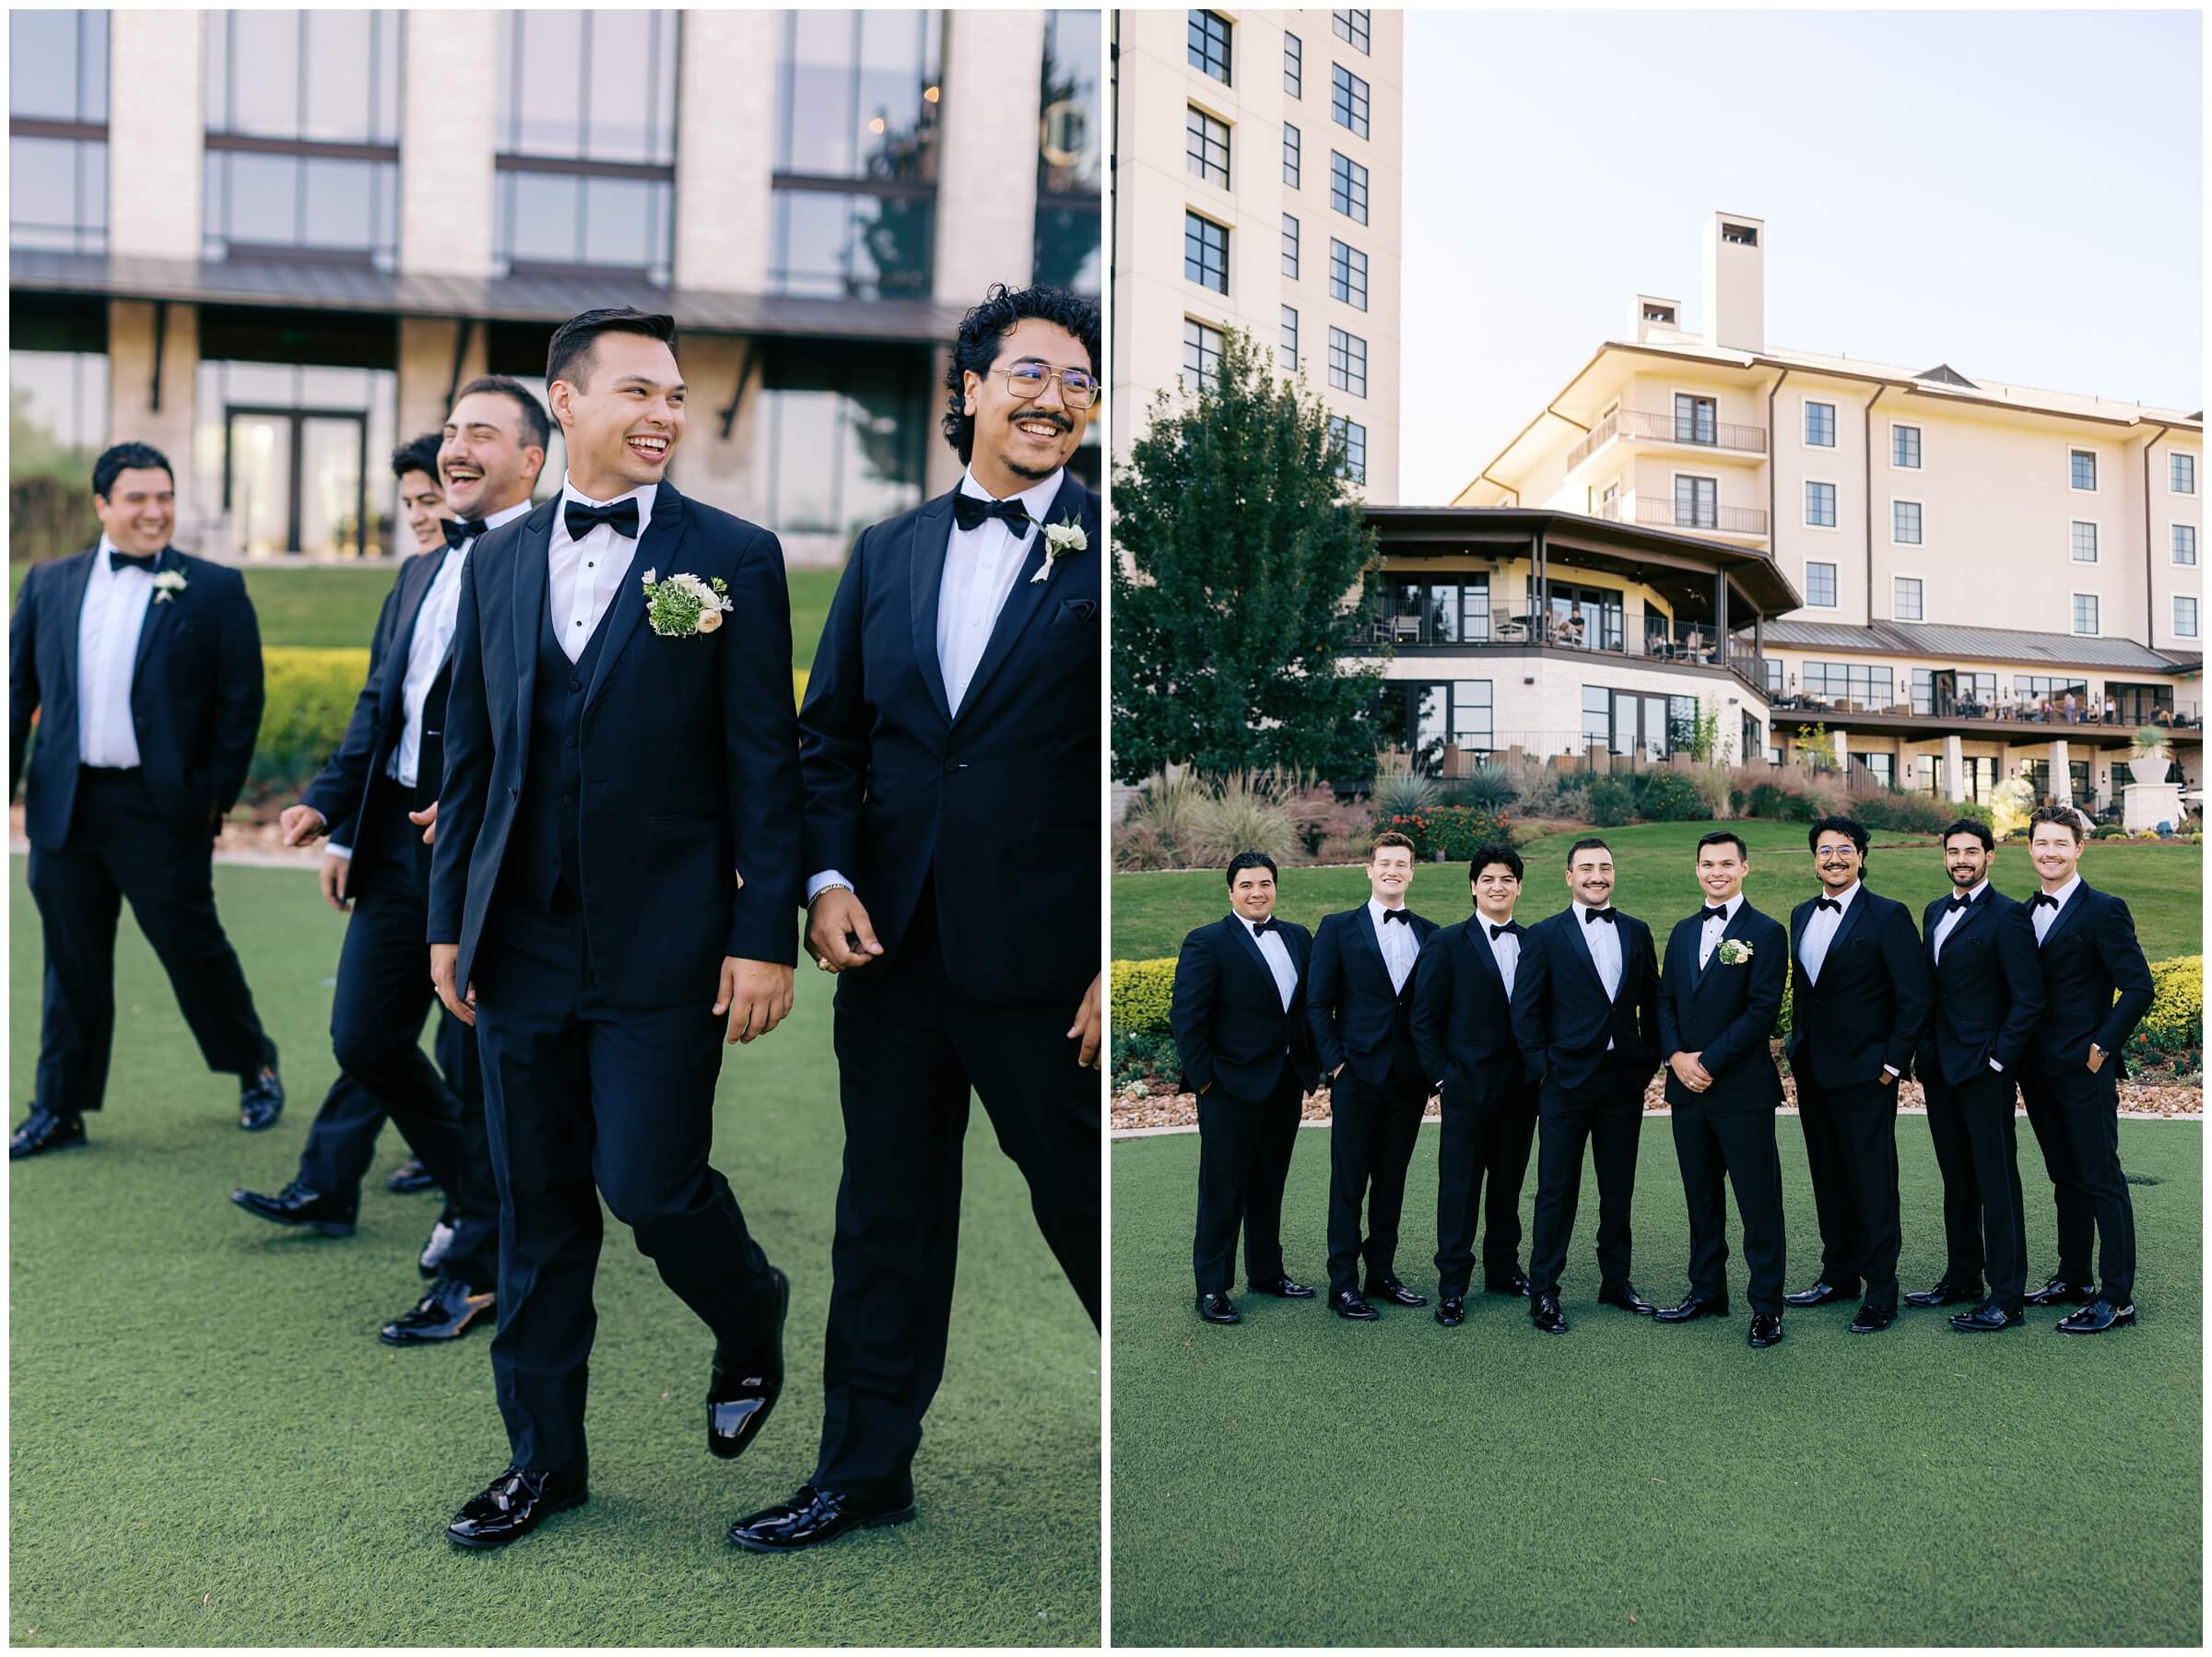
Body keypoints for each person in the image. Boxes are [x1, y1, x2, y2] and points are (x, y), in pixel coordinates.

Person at [734, 284, 1104, 1555]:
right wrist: (825, 878)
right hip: (889, 956)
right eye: (1032, 372)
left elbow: (1142, 770)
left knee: (1086, 1202)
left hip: (1050, 963)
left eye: (1078, 379)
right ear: (970, 390)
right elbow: (827, 738)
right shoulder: (886, 553)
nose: (1056, 396)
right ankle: (863, 1468)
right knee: (884, 1212)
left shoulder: (1117, 551)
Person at [427, 308, 802, 1547]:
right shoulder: (490, 560)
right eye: (638, 390)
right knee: (537, 1208)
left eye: (677, 396)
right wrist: (450, 925)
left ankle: (750, 1311)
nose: (662, 414)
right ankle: (544, 1461)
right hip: (519, 947)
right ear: (565, 404)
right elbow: (470, 760)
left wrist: (762, 935)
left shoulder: (734, 559)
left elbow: (764, 763)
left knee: (650, 1184)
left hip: (668, 948)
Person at [229, 399, 545, 1347]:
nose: (455, 450)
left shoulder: (552, 561)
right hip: (397, 851)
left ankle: (482, 1258)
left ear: (532, 459)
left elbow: (567, 715)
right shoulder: (416, 571)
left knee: (479, 1061)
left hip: (493, 857)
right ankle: (484, 1202)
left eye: (480, 434)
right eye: (450, 433)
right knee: (363, 1036)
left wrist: (486, 796)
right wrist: (328, 809)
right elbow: (380, 708)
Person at [9, 441, 283, 1159]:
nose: (155, 511)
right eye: (136, 498)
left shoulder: (215, 589)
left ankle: (252, 1065)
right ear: (102, 506)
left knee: (192, 950)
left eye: (163, 496)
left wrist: (210, 798)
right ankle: (59, 1106)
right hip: (65, 806)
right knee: (70, 962)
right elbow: (18, 694)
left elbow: (239, 705)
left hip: (162, 813)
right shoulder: (47, 583)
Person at [1507, 837, 1662, 1335]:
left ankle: (1616, 1282)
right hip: (1565, 1083)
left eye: (1605, 867)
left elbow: (1654, 1004)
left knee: (1618, 1188)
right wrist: (1543, 1068)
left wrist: (1647, 1062)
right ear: (1569, 876)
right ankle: (1544, 1291)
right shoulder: (1546, 935)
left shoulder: (1637, 932)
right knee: (1556, 1189)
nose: (1597, 875)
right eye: (1587, 868)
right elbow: (1524, 1010)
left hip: (1622, 1083)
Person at [1782, 816, 1931, 1333]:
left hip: (1869, 1074)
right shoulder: (1801, 914)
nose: (1834, 859)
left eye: (1844, 849)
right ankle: (1838, 1273)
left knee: (1872, 1179)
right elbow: (1807, 994)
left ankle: (1881, 1287)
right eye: (1825, 851)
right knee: (1828, 1174)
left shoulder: (1888, 916)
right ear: (1814, 859)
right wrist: (1795, 1049)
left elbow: (1914, 997)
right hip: (1814, 1071)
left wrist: (1891, 1064)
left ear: (1862, 856)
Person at [1169, 852, 1322, 1329]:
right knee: (1222, 1188)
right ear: (1230, 891)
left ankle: (1267, 1274)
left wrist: (1311, 1068)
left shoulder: (1297, 936)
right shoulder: (1207, 942)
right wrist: (1206, 1081)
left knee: (1269, 1184)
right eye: (1247, 885)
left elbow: (1305, 1010)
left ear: (1276, 887)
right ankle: (1212, 1287)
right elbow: (1187, 1018)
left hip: (1284, 1084)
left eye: (1266, 883)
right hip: (1229, 1087)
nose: (1258, 892)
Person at [2018, 805, 2155, 1332]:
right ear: (2030, 849)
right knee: (2064, 1177)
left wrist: (2101, 1048)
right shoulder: (2023, 912)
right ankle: (2073, 1277)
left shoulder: (2104, 909)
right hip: (2037, 1069)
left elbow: (2139, 985)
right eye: (2041, 843)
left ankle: (2116, 1296)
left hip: (2085, 1069)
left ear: (2079, 849)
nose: (2049, 852)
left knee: (2101, 1178)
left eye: (2060, 843)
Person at [1652, 831, 1790, 1348]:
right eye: (1707, 863)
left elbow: (1761, 1011)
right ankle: (1707, 1290)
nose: (1716, 872)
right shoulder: (1685, 931)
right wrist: (1677, 1058)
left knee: (1758, 1203)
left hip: (1742, 1091)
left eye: (1726, 864)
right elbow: (1664, 1000)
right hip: (1688, 1090)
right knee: (1701, 1198)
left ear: (1745, 869)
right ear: (1697, 870)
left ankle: (1767, 1307)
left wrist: (1707, 1061)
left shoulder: (1766, 932)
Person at [1911, 819, 2044, 1332]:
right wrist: (1925, 1049)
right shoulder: (1934, 911)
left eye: (1971, 851)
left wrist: (1998, 1059)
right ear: (1944, 856)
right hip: (1941, 1067)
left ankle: (2006, 1295)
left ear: (1991, 856)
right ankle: (1962, 1276)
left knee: (1996, 1180)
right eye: (1953, 851)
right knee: (1956, 1177)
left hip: (1984, 1070)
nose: (1961, 859)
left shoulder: (2009, 916)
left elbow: (2028, 998)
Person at [1305, 832, 1437, 1320]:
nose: (1392, 871)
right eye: (1384, 863)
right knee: (1349, 1182)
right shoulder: (1338, 927)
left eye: (1401, 864)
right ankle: (1343, 1283)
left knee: (1391, 1181)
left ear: (1411, 871)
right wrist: (1336, 1063)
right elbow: (1317, 1002)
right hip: (1357, 1074)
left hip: (1408, 1079)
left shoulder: (1430, 931)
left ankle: (1381, 1273)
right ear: (1370, 869)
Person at [1411, 844, 1539, 1325]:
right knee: (1459, 1189)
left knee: (1508, 1185)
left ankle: (1503, 1269)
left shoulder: (1534, 941)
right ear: (1473, 886)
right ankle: (1452, 1286)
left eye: (1506, 878)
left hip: (1521, 1091)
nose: (1497, 886)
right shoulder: (1446, 943)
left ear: (1519, 886)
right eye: (1488, 878)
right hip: (1466, 1088)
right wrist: (1443, 1076)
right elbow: (1424, 1019)